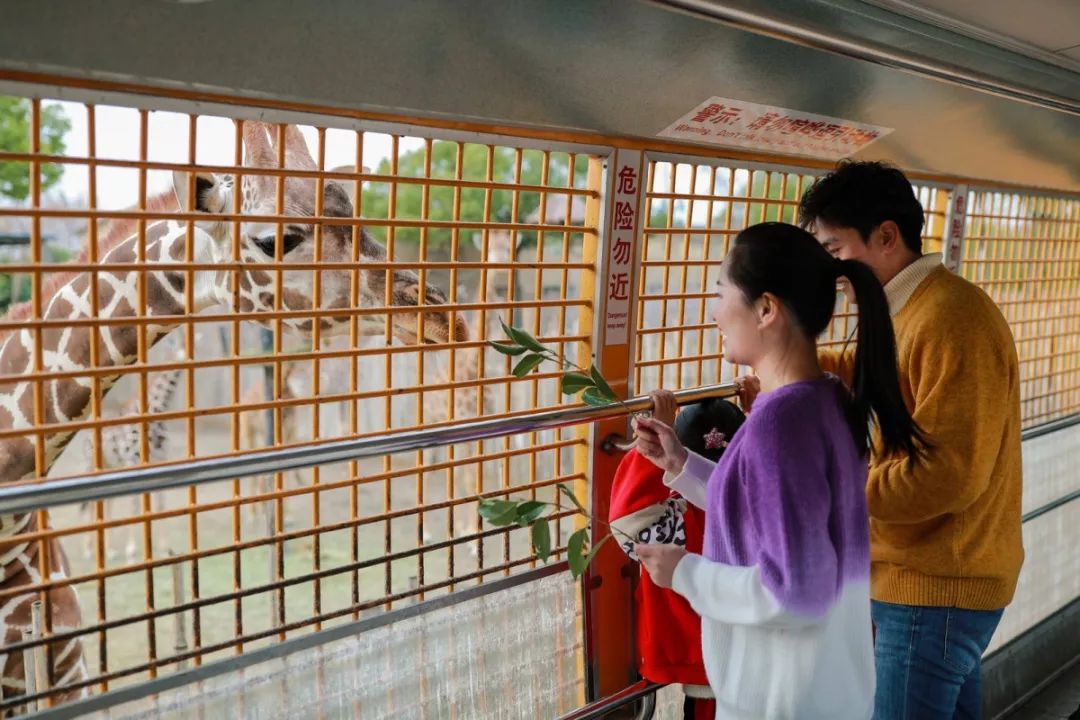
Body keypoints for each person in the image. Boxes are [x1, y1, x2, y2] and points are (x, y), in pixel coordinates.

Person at [631, 221, 926, 720]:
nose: (713, 311)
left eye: (721, 292)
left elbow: (794, 591)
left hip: (781, 699)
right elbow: (765, 507)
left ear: (766, 309)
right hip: (829, 686)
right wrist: (680, 464)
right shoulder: (827, 399)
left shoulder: (779, 423)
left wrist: (685, 571)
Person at [781, 161, 1019, 720]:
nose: (829, 267)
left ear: (886, 236)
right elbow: (879, 371)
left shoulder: (951, 319)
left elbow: (947, 473)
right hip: (930, 579)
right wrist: (787, 364)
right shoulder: (912, 309)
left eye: (834, 248)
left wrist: (840, 491)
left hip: (936, 588)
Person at [608, 391, 745, 720]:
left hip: (700, 657)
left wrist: (648, 451)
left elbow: (629, 523)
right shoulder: (760, 500)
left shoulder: (677, 516)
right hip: (761, 658)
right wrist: (757, 408)